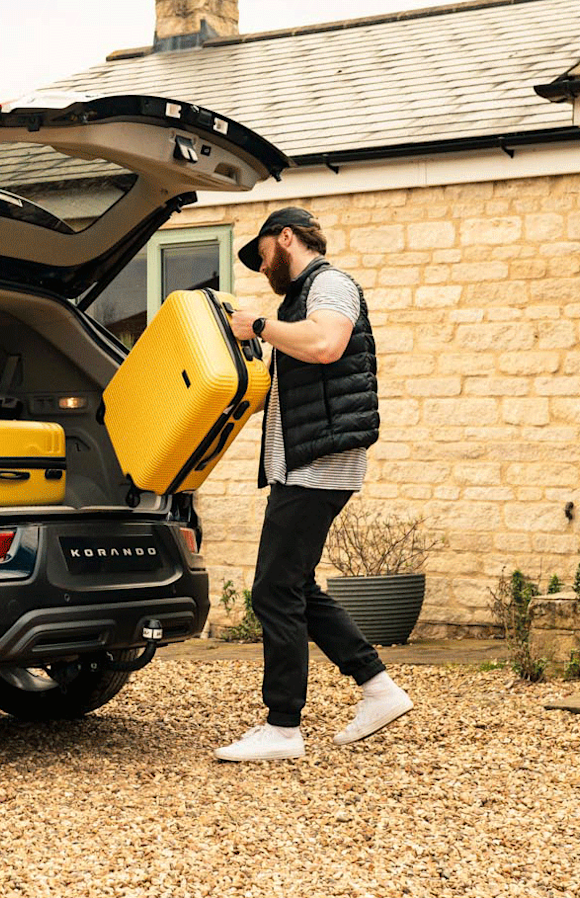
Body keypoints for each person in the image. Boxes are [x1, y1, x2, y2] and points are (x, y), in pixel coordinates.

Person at [214, 206, 413, 762]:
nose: (261, 267)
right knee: (296, 586)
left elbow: (327, 344)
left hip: (318, 464)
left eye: (263, 255)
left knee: (273, 590)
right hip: (302, 463)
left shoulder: (329, 285)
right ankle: (378, 688)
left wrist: (257, 325)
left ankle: (282, 728)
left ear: (286, 237)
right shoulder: (297, 301)